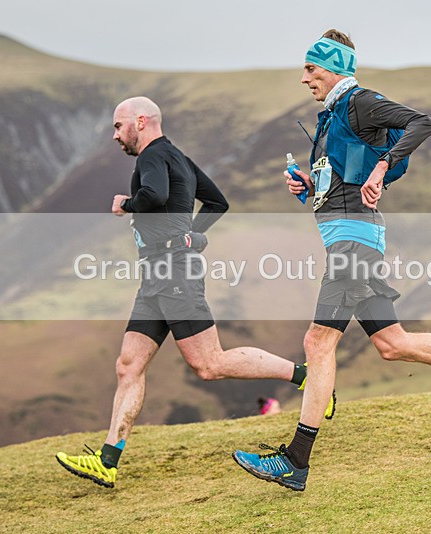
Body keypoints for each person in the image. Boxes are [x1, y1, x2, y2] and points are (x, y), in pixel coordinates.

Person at [232, 30, 431, 492]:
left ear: (333, 67)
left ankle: (296, 461)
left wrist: (381, 167)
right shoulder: (334, 116)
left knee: (317, 344)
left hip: (354, 243)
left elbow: (422, 122)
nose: (304, 78)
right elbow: (342, 180)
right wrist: (308, 188)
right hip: (352, 239)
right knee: (394, 344)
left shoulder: (359, 102)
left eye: (311, 69)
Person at [55, 96, 334, 488]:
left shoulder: (151, 157)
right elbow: (218, 201)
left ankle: (304, 376)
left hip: (173, 274)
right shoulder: (178, 157)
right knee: (128, 364)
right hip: (157, 276)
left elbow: (151, 196)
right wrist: (192, 235)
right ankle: (108, 459)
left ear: (141, 121)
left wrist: (126, 204)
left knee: (209, 364)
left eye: (119, 127)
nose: (115, 136)